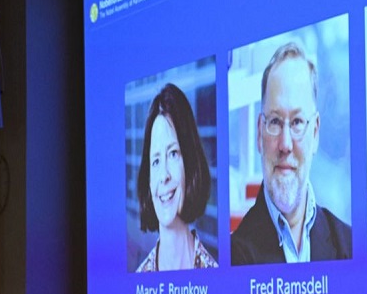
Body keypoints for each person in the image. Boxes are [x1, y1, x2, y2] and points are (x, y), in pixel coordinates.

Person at [231, 42, 352, 265]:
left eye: (297, 122)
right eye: (275, 122)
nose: (285, 144)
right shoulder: (234, 256)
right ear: (259, 134)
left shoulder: (349, 245)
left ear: (315, 133)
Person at [136, 83, 217, 271]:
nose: (163, 175)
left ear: (189, 163)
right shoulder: (139, 280)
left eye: (173, 154)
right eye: (155, 161)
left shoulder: (213, 272)